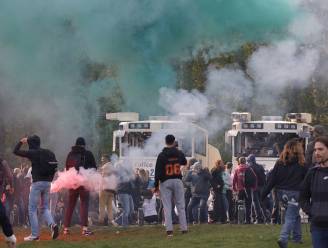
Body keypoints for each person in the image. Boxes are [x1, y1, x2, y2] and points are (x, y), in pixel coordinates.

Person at [261, 139, 307, 248]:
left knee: (294, 215)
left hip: (281, 194)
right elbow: (307, 181)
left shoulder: (280, 163)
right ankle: (283, 238)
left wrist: (263, 194)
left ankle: (297, 237)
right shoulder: (302, 164)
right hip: (295, 193)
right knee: (291, 216)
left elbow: (272, 179)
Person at [13, 135, 59, 241]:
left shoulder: (33, 153)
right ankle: (53, 225)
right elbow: (55, 167)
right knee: (45, 208)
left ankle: (34, 235)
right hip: (48, 183)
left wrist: (21, 141)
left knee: (32, 209)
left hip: (37, 184)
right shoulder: (49, 152)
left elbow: (15, 151)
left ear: (31, 143)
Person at [154, 134, 188, 237]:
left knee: (167, 206)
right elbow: (185, 162)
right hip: (177, 180)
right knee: (181, 206)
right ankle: (184, 229)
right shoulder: (178, 153)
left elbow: (158, 172)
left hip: (165, 181)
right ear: (174, 142)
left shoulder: (161, 155)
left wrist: (156, 186)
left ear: (165, 142)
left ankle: (169, 231)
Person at [63, 137, 97, 236]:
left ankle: (65, 228)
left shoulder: (70, 154)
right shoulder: (88, 154)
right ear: (84, 145)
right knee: (84, 204)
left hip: (72, 182)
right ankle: (85, 229)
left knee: (70, 205)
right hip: (84, 183)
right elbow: (94, 168)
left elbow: (67, 167)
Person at [300, 136, 328, 248]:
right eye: (315, 150)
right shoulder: (312, 173)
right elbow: (303, 196)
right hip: (318, 227)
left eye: (321, 149)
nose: (317, 153)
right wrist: (312, 211)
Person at [233, 157, 256, 224]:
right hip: (248, 189)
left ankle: (238, 219)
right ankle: (248, 220)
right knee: (248, 205)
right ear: (245, 161)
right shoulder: (249, 168)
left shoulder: (237, 169)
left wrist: (234, 188)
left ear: (239, 162)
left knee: (239, 204)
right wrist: (254, 187)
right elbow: (255, 177)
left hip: (240, 189)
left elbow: (234, 180)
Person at [0, 157, 17, 248]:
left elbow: (10, 175)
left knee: (3, 215)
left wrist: (11, 186)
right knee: (3, 215)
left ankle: (10, 237)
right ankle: (10, 237)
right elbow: (10, 175)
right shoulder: (3, 162)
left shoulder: (3, 162)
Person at [247, 154, 266, 224]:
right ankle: (266, 218)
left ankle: (259, 219)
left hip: (254, 187)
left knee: (255, 203)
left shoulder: (250, 167)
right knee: (262, 203)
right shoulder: (260, 166)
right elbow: (264, 177)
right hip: (262, 187)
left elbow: (249, 179)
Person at [98, 155, 117, 226]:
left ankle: (101, 221)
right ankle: (111, 220)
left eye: (103, 159)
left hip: (105, 188)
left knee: (102, 206)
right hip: (112, 189)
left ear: (106, 159)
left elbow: (102, 178)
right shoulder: (113, 167)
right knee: (110, 207)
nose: (102, 160)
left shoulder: (105, 167)